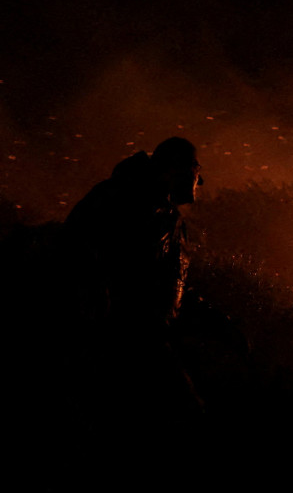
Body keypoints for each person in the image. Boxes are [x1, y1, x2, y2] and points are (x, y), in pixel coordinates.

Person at [61, 135, 205, 426]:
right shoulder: (116, 197)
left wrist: (219, 323)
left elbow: (175, 287)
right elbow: (71, 251)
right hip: (112, 341)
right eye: (196, 170)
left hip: (145, 340)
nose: (198, 180)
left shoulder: (171, 220)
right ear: (179, 168)